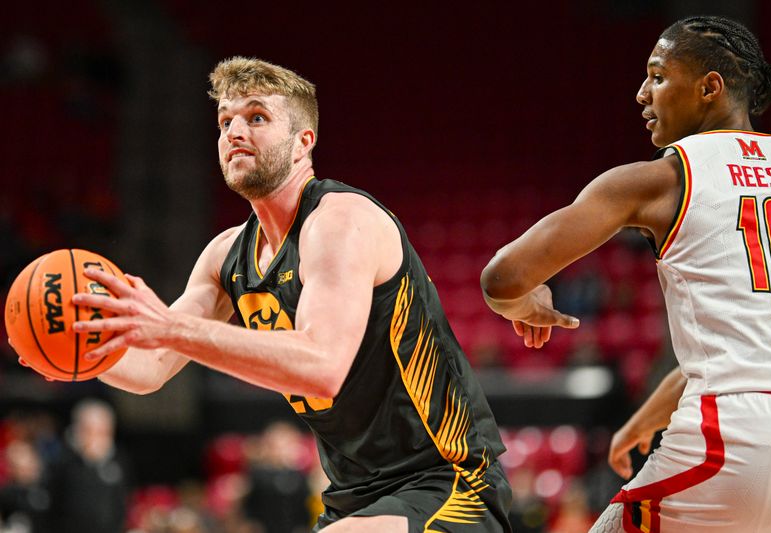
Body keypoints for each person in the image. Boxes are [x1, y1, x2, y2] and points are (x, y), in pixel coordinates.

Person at [64, 57, 512, 532]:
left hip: (452, 481)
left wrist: (171, 327)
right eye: (225, 121)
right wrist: (66, 351)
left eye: (256, 117)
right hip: (353, 498)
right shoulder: (225, 256)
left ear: (304, 143)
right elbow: (149, 367)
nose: (235, 131)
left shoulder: (340, 221)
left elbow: (321, 367)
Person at [481, 15, 771, 532]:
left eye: (656, 75)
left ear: (708, 88)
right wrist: (645, 420)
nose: (640, 93)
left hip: (727, 442)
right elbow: (755, 356)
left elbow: (502, 278)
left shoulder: (662, 177)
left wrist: (527, 302)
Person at [46, 399, 129, 533]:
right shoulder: (63, 460)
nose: (95, 438)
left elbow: (121, 502)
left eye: (102, 432)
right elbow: (53, 503)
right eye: (89, 430)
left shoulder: (117, 461)